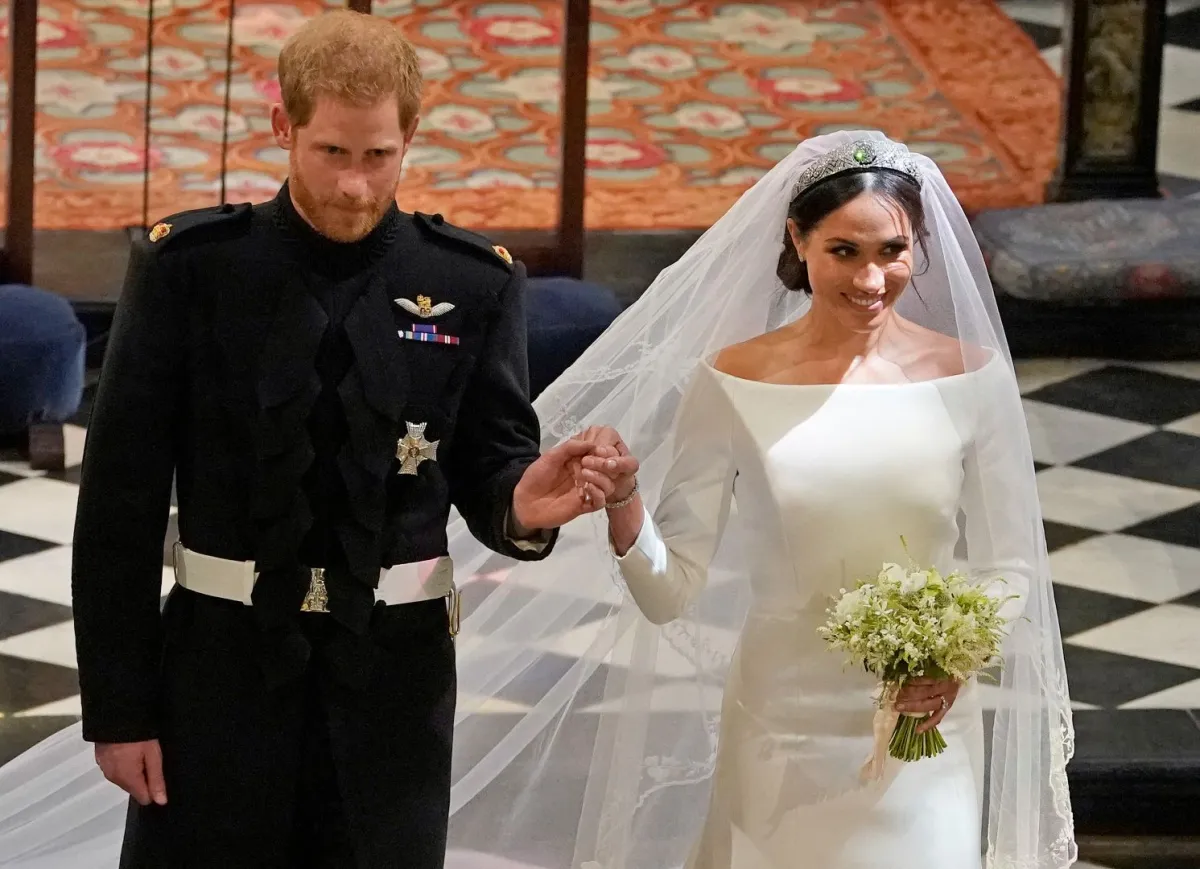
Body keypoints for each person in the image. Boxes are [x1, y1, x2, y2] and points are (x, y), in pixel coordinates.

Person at [0, 10, 620, 869]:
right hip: (218, 671)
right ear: (283, 127)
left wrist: (520, 503)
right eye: (332, 153)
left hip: (393, 690)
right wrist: (120, 708)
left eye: (379, 156)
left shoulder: (471, 282)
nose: (356, 187)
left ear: (411, 137)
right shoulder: (192, 269)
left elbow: (491, 467)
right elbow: (121, 503)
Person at [439, 132, 1076, 868]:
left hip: (924, 732)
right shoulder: (732, 380)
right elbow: (670, 591)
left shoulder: (972, 377)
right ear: (797, 238)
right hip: (782, 732)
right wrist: (625, 506)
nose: (871, 279)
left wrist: (956, 656)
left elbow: (1009, 564)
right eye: (844, 251)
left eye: (892, 251)